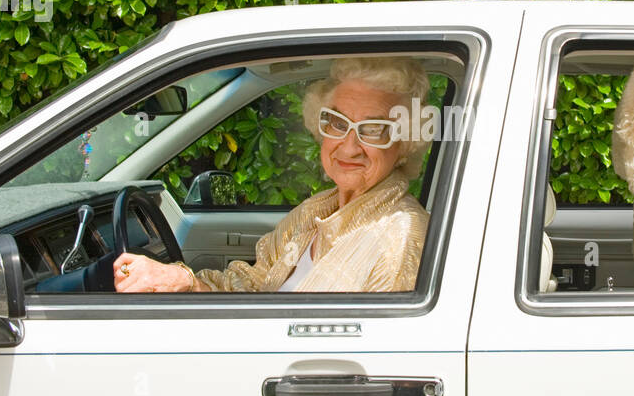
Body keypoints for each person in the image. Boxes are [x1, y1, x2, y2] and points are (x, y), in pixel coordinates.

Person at [114, 57, 431, 293]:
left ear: (405, 143)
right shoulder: (316, 211)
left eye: (374, 130)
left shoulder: (399, 236)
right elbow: (254, 286)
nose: (349, 147)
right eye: (337, 122)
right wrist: (179, 280)